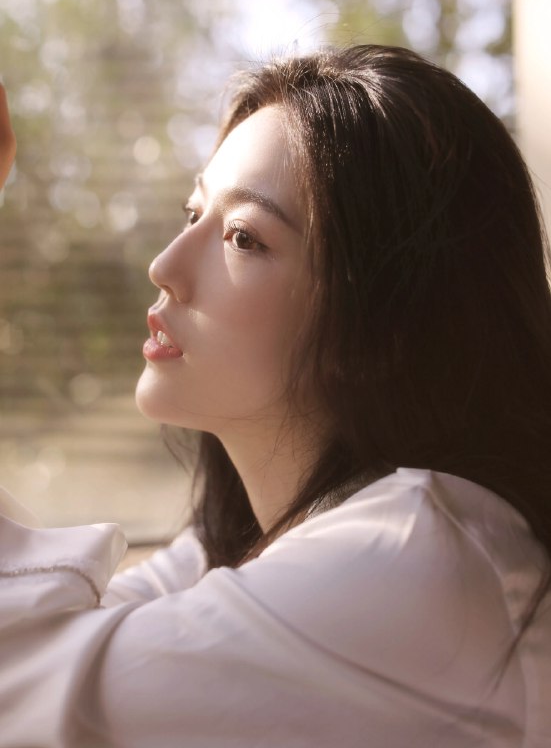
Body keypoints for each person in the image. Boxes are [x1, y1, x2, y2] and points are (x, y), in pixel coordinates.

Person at [0, 45, 550, 747]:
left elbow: (21, 684)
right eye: (192, 212)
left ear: (384, 328)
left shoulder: (411, 555)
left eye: (242, 237)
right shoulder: (246, 544)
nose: (165, 265)